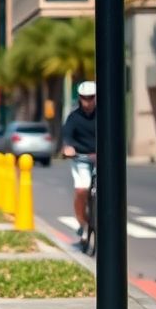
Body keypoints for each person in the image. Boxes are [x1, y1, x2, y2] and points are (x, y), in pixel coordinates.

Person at [61, 80, 97, 240]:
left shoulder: (105, 115)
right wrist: (68, 148)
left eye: (91, 97)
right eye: (84, 98)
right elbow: (67, 136)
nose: (87, 101)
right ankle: (82, 223)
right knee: (82, 190)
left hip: (100, 160)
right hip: (81, 159)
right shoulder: (74, 117)